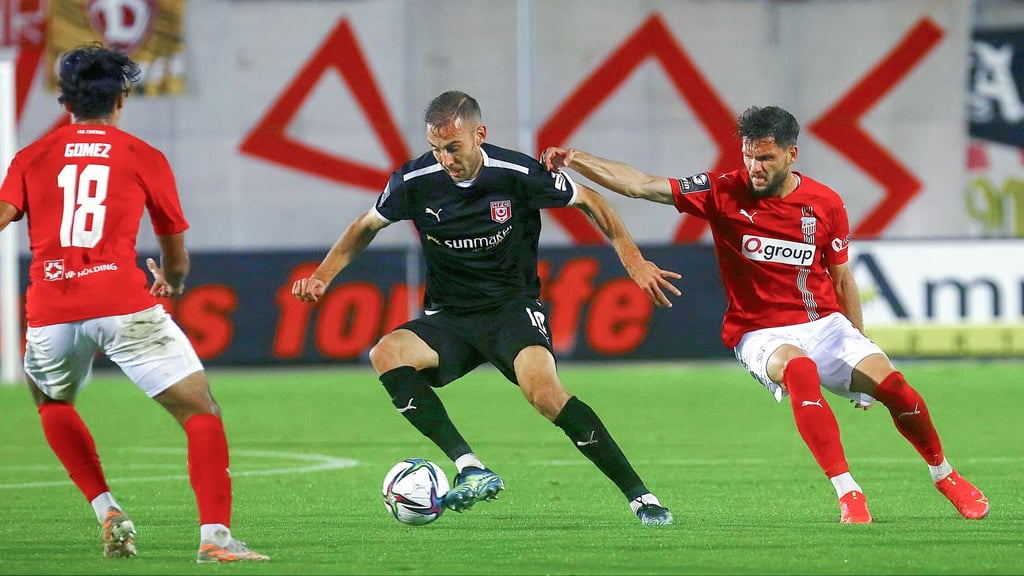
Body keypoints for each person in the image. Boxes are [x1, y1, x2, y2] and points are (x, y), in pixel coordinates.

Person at [540, 105, 989, 524]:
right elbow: (643, 184)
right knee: (800, 370)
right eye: (749, 155)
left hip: (825, 324)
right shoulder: (722, 191)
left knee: (897, 388)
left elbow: (843, 280)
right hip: (758, 332)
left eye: (766, 157)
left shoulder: (825, 204)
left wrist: (862, 343)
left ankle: (945, 474)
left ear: (792, 155)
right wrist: (577, 159)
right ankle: (849, 493)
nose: (755, 166)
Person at [292, 90, 681, 525]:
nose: (444, 158)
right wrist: (324, 275)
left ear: (479, 134)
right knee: (386, 352)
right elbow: (365, 226)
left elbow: (592, 200)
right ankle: (471, 467)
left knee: (546, 395)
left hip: (511, 310)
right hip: (450, 318)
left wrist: (634, 260)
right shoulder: (412, 181)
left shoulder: (515, 173)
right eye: (436, 148)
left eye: (453, 147)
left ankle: (641, 497)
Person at [0, 43, 269, 562]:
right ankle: (215, 540)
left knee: (52, 402)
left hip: (51, 311)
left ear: (65, 103)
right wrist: (171, 280)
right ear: (122, 97)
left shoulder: (29, 157)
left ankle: (107, 509)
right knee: (200, 412)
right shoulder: (143, 156)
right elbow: (175, 250)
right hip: (124, 305)